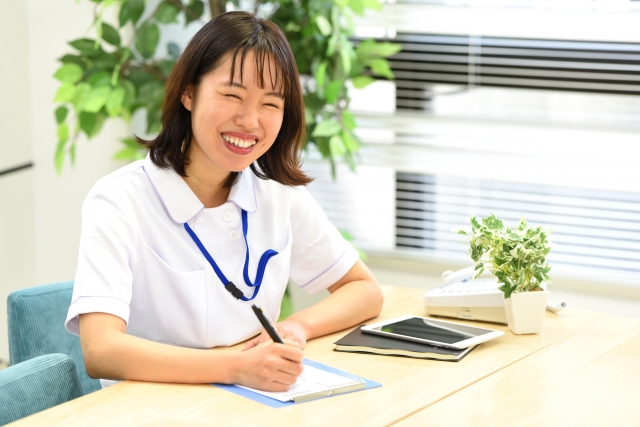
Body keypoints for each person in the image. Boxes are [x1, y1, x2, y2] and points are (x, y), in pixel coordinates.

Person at [65, 11, 383, 392]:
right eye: (232, 95)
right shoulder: (119, 200)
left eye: (270, 104)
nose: (250, 121)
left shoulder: (277, 192)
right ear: (188, 92)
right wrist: (235, 366)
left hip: (252, 402)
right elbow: (101, 350)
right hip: (151, 408)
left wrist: (294, 327)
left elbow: (364, 291)